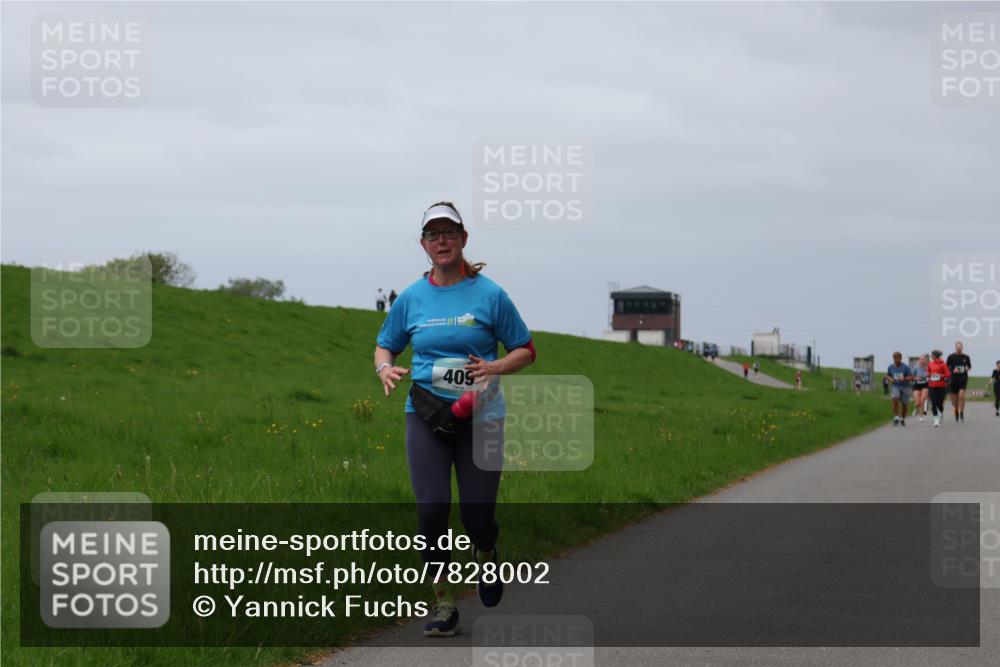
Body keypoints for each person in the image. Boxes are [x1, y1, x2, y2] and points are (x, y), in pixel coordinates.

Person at [373, 201, 535, 638]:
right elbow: (385, 344)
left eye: (449, 232)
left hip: (481, 415)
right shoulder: (411, 297)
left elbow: (525, 349)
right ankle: (444, 602)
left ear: (464, 239)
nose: (441, 240)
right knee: (431, 510)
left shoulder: (490, 295)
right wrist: (384, 367)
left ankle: (485, 551)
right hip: (425, 412)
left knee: (477, 512)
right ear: (424, 245)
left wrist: (495, 368)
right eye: (432, 234)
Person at [884, 352, 912, 426]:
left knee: (905, 405)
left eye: (897, 358)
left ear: (900, 358)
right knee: (895, 398)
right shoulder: (891, 367)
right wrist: (890, 378)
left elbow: (911, 377)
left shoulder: (905, 367)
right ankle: (896, 417)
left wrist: (904, 378)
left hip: (905, 387)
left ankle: (902, 418)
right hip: (895, 386)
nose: (896, 360)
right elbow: (887, 375)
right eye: (894, 358)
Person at [946, 341, 972, 422]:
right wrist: (952, 370)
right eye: (957, 347)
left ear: (962, 348)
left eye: (960, 347)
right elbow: (946, 367)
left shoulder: (966, 357)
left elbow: (969, 366)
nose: (959, 348)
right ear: (955, 347)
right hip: (953, 379)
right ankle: (956, 411)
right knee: (955, 400)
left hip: (963, 378)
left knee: (961, 396)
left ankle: (961, 413)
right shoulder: (951, 357)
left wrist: (967, 368)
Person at [927, 350, 951, 428]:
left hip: (941, 386)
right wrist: (929, 374)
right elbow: (928, 372)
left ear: (935, 356)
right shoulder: (930, 364)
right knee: (933, 403)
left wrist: (940, 375)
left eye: (932, 355)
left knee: (939, 403)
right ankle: (936, 420)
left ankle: (941, 413)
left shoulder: (943, 364)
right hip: (932, 386)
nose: (931, 356)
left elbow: (948, 374)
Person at [911, 355, 930, 422]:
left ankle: (921, 417)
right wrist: (916, 378)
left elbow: (930, 375)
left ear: (926, 360)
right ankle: (916, 408)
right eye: (921, 359)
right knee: (918, 402)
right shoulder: (916, 368)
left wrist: (928, 376)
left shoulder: (928, 367)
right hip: (916, 385)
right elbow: (911, 377)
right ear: (919, 360)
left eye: (923, 359)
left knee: (922, 400)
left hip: (925, 385)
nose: (922, 361)